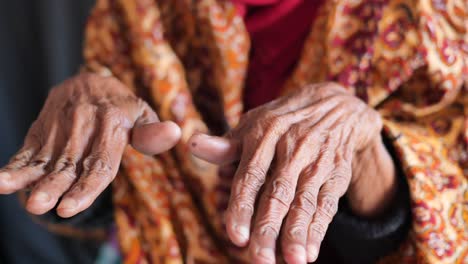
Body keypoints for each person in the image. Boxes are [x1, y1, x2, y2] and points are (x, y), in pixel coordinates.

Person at [0, 0, 466, 263]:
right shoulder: (137, 12)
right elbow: (121, 207)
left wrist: (368, 156)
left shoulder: (436, 14)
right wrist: (82, 145)